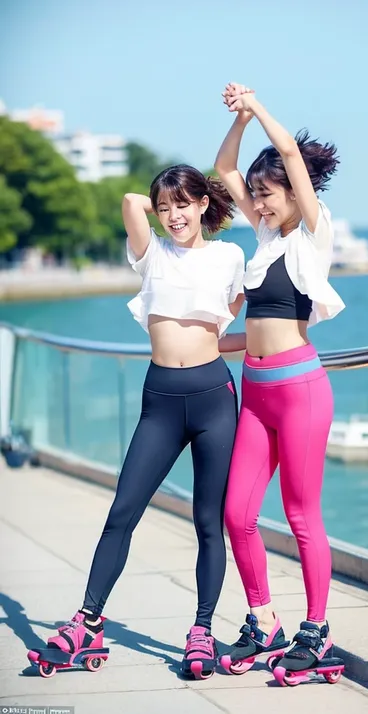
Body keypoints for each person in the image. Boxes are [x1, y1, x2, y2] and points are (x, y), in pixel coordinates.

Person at [29, 164, 246, 680]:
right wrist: (178, 198)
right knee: (122, 511)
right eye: (166, 206)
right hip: (162, 400)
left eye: (182, 205)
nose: (173, 215)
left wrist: (201, 202)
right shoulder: (152, 255)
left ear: (202, 207)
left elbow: (235, 327)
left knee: (208, 523)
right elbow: (131, 201)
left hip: (215, 396)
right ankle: (88, 621)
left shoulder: (229, 256)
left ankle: (201, 629)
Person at [214, 83, 346, 682]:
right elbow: (222, 171)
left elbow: (289, 152)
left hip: (300, 393)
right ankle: (264, 620)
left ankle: (315, 630)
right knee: (236, 512)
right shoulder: (265, 244)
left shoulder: (313, 237)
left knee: (300, 515)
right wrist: (239, 122)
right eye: (258, 198)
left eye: (268, 197)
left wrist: (258, 103)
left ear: (296, 194)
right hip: (256, 391)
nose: (260, 206)